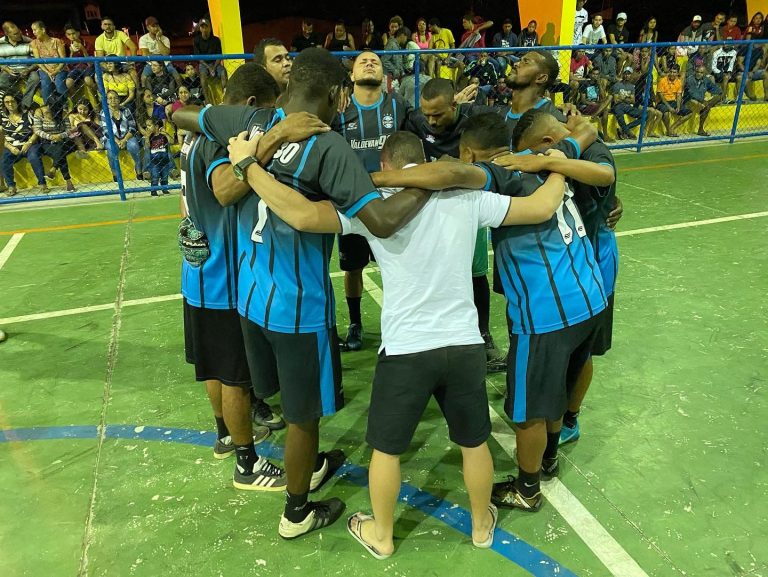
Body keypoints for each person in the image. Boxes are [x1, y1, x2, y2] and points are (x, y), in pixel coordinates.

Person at [229, 128, 569, 557]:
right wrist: (558, 165)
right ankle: (482, 526)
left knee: (387, 451)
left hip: (406, 348)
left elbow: (301, 215)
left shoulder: (371, 204)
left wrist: (249, 167)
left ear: (385, 165)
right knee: (474, 443)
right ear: (423, 160)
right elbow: (542, 207)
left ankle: (382, 535)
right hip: (464, 343)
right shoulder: (466, 196)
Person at [182, 47, 438, 539]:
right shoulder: (329, 147)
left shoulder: (254, 120)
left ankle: (309, 465)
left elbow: (184, 114)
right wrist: (427, 183)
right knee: (304, 417)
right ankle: (296, 512)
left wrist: (264, 142)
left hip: (249, 296)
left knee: (280, 399)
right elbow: (380, 221)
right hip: (298, 306)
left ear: (289, 84)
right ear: (339, 95)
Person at [375, 112, 604, 513]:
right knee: (557, 388)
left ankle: (527, 488)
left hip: (546, 309)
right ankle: (550, 458)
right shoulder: (552, 157)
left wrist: (373, 180)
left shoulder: (499, 173)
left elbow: (449, 175)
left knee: (529, 409)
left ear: (468, 153)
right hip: (590, 292)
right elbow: (586, 131)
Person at [178, 63, 304, 476]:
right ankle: (247, 465)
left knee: (216, 367)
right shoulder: (222, 139)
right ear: (250, 105)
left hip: (199, 271)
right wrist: (265, 147)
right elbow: (225, 190)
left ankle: (226, 435)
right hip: (223, 278)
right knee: (235, 375)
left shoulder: (194, 135)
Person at [507, 109, 619, 447]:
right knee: (559, 349)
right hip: (559, 260)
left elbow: (604, 174)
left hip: (591, 260)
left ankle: (569, 417)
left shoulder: (588, 150)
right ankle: (552, 409)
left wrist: (549, 163)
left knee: (582, 353)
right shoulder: (556, 142)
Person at [404, 78, 505, 369]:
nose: (431, 121)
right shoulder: (414, 120)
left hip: (468, 205)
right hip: (428, 207)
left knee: (475, 274)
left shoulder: (474, 121)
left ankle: (483, 335)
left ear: (454, 104)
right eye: (427, 114)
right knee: (431, 273)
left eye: (438, 114)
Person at [331, 51, 411, 351]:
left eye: (375, 61)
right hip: (351, 205)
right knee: (352, 269)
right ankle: (355, 323)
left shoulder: (398, 106)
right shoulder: (339, 110)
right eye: (362, 61)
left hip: (391, 204)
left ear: (384, 75)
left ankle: (400, 324)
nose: (368, 63)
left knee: (397, 268)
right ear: (351, 75)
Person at [1, 93, 47, 195]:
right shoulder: (2, 118)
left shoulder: (27, 114)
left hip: (29, 144)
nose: (10, 104)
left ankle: (42, 183)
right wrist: (10, 147)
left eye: (12, 101)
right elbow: (1, 137)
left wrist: (29, 143)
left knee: (34, 157)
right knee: (4, 160)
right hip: (11, 146)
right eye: (7, 102)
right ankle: (11, 186)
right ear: (4, 104)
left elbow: (36, 131)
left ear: (17, 102)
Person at [32, 99, 76, 191]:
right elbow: (37, 130)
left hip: (62, 140)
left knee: (60, 147)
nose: (48, 110)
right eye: (48, 107)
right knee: (60, 151)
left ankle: (54, 168)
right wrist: (50, 137)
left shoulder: (63, 113)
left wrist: (60, 135)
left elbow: (68, 130)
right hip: (47, 141)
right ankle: (68, 181)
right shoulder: (39, 112)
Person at [100, 90, 143, 180]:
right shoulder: (104, 112)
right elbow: (106, 131)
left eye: (115, 98)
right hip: (111, 138)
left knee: (134, 145)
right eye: (110, 98)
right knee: (111, 149)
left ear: (119, 100)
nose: (113, 100)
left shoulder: (125, 110)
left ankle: (139, 170)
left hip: (127, 136)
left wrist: (124, 140)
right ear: (107, 100)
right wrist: (117, 141)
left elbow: (132, 127)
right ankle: (115, 174)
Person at [0, 21, 41, 111]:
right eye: (15, 34)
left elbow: (37, 61)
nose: (19, 35)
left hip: (27, 69)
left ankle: (24, 105)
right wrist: (7, 70)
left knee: (35, 78)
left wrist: (28, 70)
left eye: (19, 32)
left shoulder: (29, 41)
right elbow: (0, 62)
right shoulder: (0, 43)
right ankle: (20, 98)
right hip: (9, 70)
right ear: (7, 34)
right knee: (1, 81)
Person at [671, 65, 722, 136]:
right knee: (705, 106)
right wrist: (700, 102)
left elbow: (717, 90)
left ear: (704, 73)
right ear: (695, 71)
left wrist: (711, 99)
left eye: (701, 73)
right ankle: (700, 129)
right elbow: (691, 94)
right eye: (697, 72)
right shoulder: (690, 79)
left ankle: (700, 129)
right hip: (689, 100)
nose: (699, 74)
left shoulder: (706, 80)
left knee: (717, 98)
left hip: (700, 101)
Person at [193, 16, 228, 105]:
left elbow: (219, 56)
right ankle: (207, 100)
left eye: (206, 27)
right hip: (204, 64)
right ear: (200, 28)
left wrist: (214, 67)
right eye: (202, 27)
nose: (204, 29)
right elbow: (198, 58)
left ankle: (225, 97)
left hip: (215, 63)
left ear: (210, 28)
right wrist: (209, 68)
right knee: (203, 76)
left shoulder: (216, 40)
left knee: (223, 72)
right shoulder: (196, 40)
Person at [30, 21, 67, 103]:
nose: (33, 32)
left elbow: (63, 60)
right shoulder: (34, 43)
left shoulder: (57, 41)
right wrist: (48, 72)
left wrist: (56, 71)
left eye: (35, 30)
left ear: (43, 30)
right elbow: (38, 62)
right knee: (45, 83)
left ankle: (64, 106)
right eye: (32, 30)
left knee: (59, 82)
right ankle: (48, 107)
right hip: (44, 70)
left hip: (60, 68)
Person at [139, 17, 181, 84]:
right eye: (153, 26)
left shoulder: (165, 39)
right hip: (151, 63)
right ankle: (145, 91)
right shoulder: (143, 39)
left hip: (165, 62)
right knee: (143, 78)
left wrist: (158, 39)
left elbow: (166, 54)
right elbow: (146, 54)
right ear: (148, 28)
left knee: (177, 77)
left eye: (157, 26)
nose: (156, 28)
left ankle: (181, 89)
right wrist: (160, 56)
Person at [577, 67, 612, 141]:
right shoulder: (584, 84)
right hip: (586, 106)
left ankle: (596, 114)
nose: (595, 76)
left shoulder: (598, 84)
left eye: (597, 74)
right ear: (590, 75)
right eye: (593, 74)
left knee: (610, 97)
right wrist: (594, 104)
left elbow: (603, 98)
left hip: (596, 106)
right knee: (605, 110)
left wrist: (599, 85)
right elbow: (583, 100)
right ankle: (605, 136)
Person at [63, 24, 96, 97]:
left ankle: (98, 96)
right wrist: (71, 53)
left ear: (78, 33)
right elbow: (69, 66)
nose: (72, 36)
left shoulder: (88, 44)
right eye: (69, 34)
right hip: (75, 69)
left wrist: (83, 49)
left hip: (87, 68)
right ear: (66, 35)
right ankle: (76, 100)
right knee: (68, 82)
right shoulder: (66, 46)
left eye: (73, 33)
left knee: (88, 80)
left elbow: (90, 64)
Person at [655, 66, 687, 137]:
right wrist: (669, 107)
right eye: (671, 72)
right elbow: (661, 96)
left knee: (689, 113)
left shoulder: (678, 82)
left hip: (672, 101)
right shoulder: (663, 80)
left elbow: (678, 95)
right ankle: (669, 131)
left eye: (674, 72)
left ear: (677, 73)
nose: (672, 74)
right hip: (662, 102)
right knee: (666, 112)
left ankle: (672, 128)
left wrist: (678, 106)